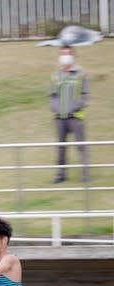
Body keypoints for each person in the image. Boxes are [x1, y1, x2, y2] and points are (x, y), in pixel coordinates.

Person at [49, 45, 90, 184]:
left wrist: (74, 107)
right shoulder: (56, 76)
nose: (65, 57)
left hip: (75, 117)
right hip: (60, 119)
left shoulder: (80, 74)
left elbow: (84, 95)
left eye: (67, 54)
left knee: (81, 146)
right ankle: (61, 174)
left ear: (72, 56)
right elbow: (52, 96)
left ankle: (85, 173)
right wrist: (57, 109)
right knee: (61, 147)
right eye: (62, 54)